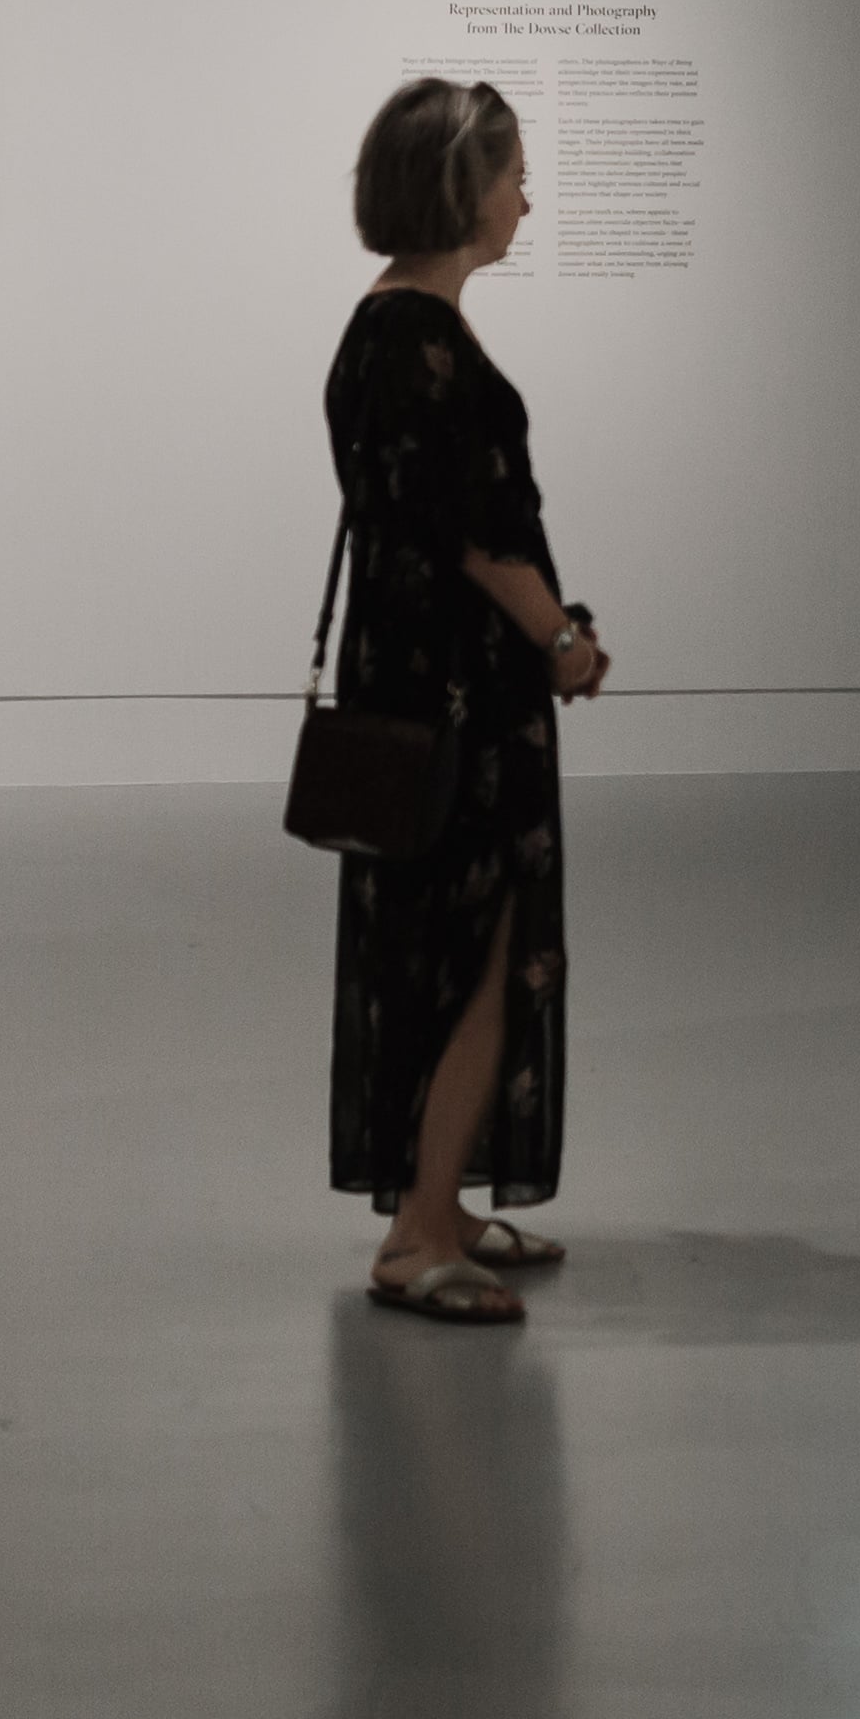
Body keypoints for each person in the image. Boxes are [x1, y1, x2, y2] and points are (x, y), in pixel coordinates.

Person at [325, 77, 608, 1324]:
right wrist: (562, 640)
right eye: (513, 179)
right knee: (480, 958)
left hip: (421, 679)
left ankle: (436, 1200)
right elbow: (477, 540)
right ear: (459, 190)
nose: (525, 203)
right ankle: (418, 1237)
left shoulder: (386, 329)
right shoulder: (417, 343)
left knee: (438, 953)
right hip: (461, 697)